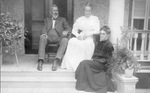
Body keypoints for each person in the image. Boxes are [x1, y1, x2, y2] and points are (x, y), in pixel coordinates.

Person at [61, 3, 100, 71]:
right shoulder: (80, 19)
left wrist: (88, 34)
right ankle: (72, 63)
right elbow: (74, 30)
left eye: (89, 10)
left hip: (90, 37)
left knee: (85, 44)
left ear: (91, 11)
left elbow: (97, 30)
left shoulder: (95, 19)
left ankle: (83, 65)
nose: (87, 12)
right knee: (71, 41)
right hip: (81, 37)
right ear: (83, 11)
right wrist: (78, 36)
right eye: (86, 10)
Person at [75, 26, 115, 93]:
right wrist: (93, 59)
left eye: (103, 34)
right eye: (101, 34)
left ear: (108, 35)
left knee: (84, 63)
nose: (101, 35)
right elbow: (95, 55)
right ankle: (82, 84)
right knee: (84, 63)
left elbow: (108, 60)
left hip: (102, 65)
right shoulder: (99, 43)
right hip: (97, 62)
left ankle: (82, 85)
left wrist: (95, 61)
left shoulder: (109, 45)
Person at [37, 4, 71, 71]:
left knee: (65, 40)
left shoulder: (62, 19)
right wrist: (44, 34)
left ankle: (56, 60)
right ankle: (40, 60)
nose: (55, 12)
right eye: (54, 10)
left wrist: (66, 31)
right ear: (50, 12)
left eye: (56, 10)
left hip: (59, 37)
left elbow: (69, 28)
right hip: (48, 37)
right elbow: (43, 28)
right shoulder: (47, 20)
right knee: (42, 37)